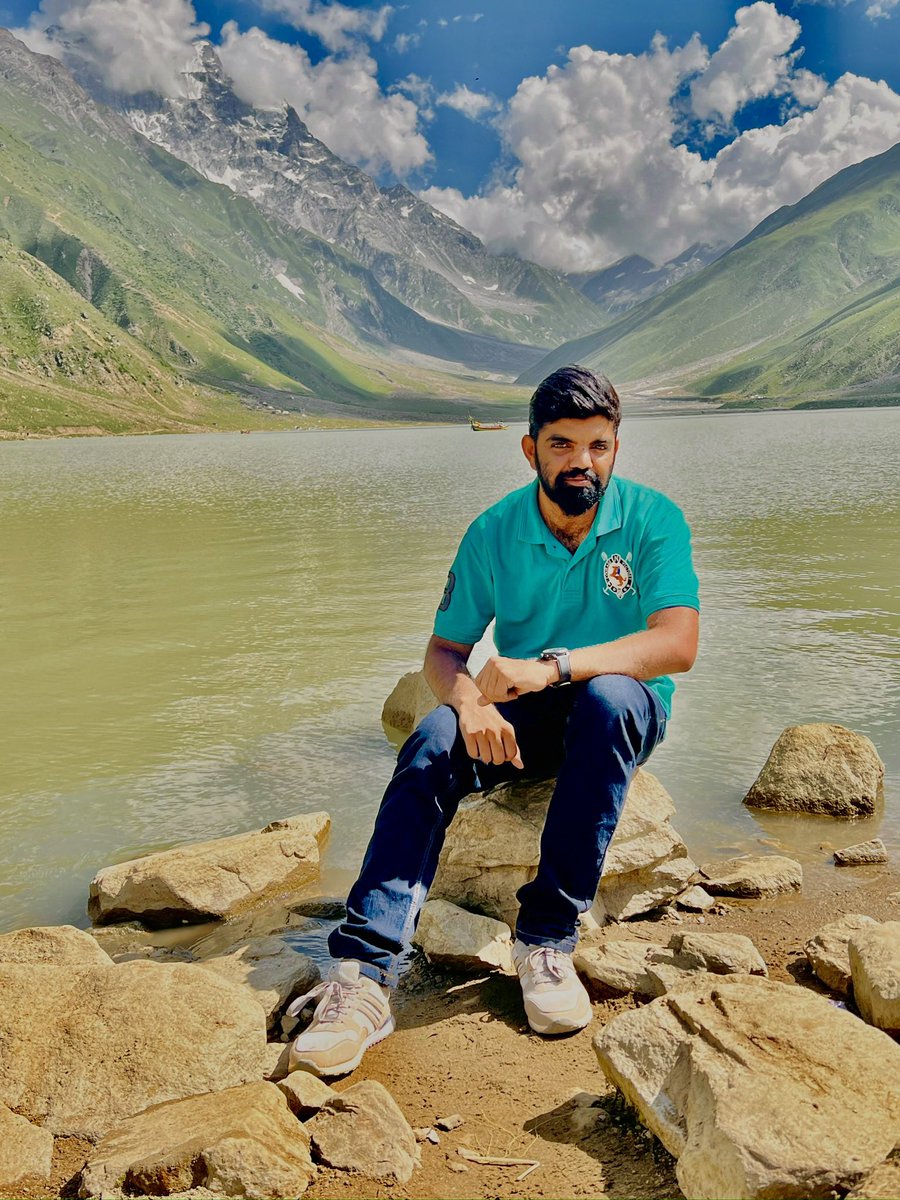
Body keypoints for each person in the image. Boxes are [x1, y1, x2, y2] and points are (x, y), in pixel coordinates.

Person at [286, 365, 700, 1077]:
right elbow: (444, 652)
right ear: (530, 449)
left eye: (598, 446)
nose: (582, 462)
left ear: (616, 449)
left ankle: (545, 941)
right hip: (526, 713)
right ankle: (362, 977)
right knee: (431, 740)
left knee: (608, 702)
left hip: (619, 703)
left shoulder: (653, 519)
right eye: (563, 445)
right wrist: (471, 704)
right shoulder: (493, 532)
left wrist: (554, 665)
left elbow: (677, 644)